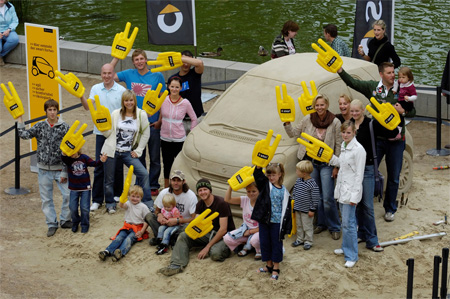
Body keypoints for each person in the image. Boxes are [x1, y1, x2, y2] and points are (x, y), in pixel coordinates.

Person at [337, 62, 415, 222]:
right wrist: (339, 69)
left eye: (393, 72)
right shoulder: (373, 87)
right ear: (381, 74)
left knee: (394, 176)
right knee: (368, 172)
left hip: (396, 141)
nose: (393, 75)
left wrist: (404, 110)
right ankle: (362, 205)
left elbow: (413, 110)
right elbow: (353, 82)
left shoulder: (402, 89)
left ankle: (390, 209)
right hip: (377, 140)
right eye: (389, 73)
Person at [284, 94, 342, 240]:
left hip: (327, 163)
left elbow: (339, 145)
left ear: (327, 105)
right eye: (317, 105)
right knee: (316, 196)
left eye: (322, 105)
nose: (319, 107)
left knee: (328, 197)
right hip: (311, 164)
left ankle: (334, 226)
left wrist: (337, 166)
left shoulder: (335, 122)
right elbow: (294, 133)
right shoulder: (308, 119)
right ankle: (321, 224)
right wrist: (286, 122)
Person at [111, 49, 167, 196]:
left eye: (142, 59)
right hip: (134, 125)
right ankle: (141, 182)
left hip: (152, 123)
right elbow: (110, 75)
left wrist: (160, 119)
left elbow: (163, 100)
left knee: (154, 157)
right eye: (136, 60)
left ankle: (153, 184)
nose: (140, 62)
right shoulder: (129, 74)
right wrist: (117, 57)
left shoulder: (157, 76)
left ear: (146, 60)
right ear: (133, 62)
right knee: (137, 155)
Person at [157, 178, 235, 276]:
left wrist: (207, 247)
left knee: (216, 254)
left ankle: (219, 247)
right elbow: (196, 225)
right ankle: (176, 265)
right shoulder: (200, 204)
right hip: (207, 233)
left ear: (210, 190)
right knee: (184, 235)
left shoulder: (221, 203)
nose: (202, 192)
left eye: (205, 189)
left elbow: (223, 230)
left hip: (224, 235)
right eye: (200, 190)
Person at [17, 99, 71, 237]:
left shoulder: (65, 127)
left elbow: (69, 151)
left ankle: (65, 219)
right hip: (43, 169)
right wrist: (20, 119)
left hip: (60, 169)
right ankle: (51, 223)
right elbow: (24, 135)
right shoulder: (40, 125)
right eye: (49, 110)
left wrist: (65, 170)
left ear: (57, 110)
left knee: (68, 195)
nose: (52, 113)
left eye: (54, 110)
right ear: (46, 111)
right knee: (46, 199)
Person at [78, 63, 126, 211]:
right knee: (99, 165)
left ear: (113, 74)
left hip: (116, 133)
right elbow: (87, 107)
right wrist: (80, 95)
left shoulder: (121, 90)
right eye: (104, 73)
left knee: (117, 164)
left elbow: (125, 111)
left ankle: (117, 193)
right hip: (100, 132)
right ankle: (97, 199)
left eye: (109, 73)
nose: (106, 76)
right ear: (101, 74)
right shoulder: (95, 88)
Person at [101, 89, 152, 213]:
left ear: (134, 101)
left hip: (128, 152)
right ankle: (110, 203)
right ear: (122, 102)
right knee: (109, 179)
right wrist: (102, 128)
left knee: (143, 173)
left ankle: (148, 202)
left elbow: (146, 133)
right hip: (112, 150)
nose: (129, 103)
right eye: (126, 100)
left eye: (131, 100)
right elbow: (108, 133)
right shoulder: (115, 113)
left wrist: (139, 150)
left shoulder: (141, 114)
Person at [329, 121, 366, 268]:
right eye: (343, 132)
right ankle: (345, 247)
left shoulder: (359, 150)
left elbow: (359, 174)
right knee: (344, 222)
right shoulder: (344, 146)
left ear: (354, 132)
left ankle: (352, 255)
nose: (345, 135)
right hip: (342, 188)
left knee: (349, 223)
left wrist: (355, 196)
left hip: (351, 191)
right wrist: (331, 159)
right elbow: (343, 164)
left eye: (348, 133)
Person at [349, 100, 383, 252]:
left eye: (357, 111)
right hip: (353, 170)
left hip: (368, 168)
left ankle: (372, 240)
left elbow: (388, 131)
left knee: (368, 205)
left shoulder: (370, 124)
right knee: (356, 204)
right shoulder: (348, 124)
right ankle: (361, 232)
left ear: (363, 110)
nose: (355, 114)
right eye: (352, 111)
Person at [252, 163, 291, 281]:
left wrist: (287, 227)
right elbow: (257, 175)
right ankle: (268, 265)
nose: (271, 177)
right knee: (264, 242)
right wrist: (259, 165)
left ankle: (276, 268)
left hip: (277, 223)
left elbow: (287, 211)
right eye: (269, 175)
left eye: (273, 175)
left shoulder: (285, 191)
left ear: (280, 175)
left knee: (276, 244)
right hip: (265, 221)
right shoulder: (265, 185)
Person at [160, 76, 198, 188]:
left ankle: (179, 187)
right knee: (166, 164)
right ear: (168, 87)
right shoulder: (163, 99)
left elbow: (194, 118)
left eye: (177, 87)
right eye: (172, 86)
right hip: (165, 137)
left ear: (181, 88)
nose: (174, 89)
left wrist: (191, 133)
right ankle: (167, 189)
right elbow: (156, 112)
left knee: (179, 165)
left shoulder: (185, 103)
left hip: (179, 139)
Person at [146, 170, 197, 246]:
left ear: (184, 181)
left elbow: (194, 219)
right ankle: (162, 238)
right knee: (149, 216)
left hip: (181, 225)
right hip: (165, 223)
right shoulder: (164, 192)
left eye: (178, 180)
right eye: (173, 180)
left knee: (187, 227)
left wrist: (178, 220)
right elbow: (157, 211)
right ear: (170, 181)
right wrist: (160, 216)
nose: (176, 183)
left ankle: (168, 239)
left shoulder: (191, 196)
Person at [98, 185, 150, 262]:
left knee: (128, 239)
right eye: (133, 196)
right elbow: (121, 205)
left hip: (137, 228)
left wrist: (142, 232)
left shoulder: (143, 207)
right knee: (119, 238)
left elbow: (147, 221)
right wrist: (123, 197)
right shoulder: (128, 203)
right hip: (127, 226)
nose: (135, 198)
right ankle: (107, 251)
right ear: (129, 196)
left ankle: (120, 252)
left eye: (137, 197)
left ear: (141, 197)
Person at [61, 150, 107, 233]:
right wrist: (64, 152)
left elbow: (94, 163)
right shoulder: (68, 159)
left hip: (85, 187)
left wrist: (101, 160)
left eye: (73, 152)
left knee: (85, 208)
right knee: (72, 207)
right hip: (73, 188)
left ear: (78, 150)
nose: (71, 154)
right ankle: (75, 221)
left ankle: (85, 224)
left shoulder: (84, 157)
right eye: (70, 153)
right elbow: (63, 157)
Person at [223, 183, 261, 259]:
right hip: (246, 229)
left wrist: (250, 232)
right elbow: (227, 199)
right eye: (248, 191)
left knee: (255, 240)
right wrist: (231, 185)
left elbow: (266, 225)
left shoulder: (263, 203)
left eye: (254, 191)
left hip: (259, 230)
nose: (251, 194)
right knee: (227, 238)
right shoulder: (245, 199)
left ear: (259, 191)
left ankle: (259, 249)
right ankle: (247, 245)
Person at [291, 160, 320, 251]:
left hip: (307, 210)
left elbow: (315, 198)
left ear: (304, 173)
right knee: (299, 225)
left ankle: (308, 241)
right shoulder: (298, 180)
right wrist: (293, 199)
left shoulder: (312, 184)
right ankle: (300, 239)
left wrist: (312, 209)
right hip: (298, 208)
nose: (296, 172)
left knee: (307, 226)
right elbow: (295, 190)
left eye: (297, 171)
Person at [168, 50, 205, 119]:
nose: (186, 64)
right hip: (180, 118)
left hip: (196, 116)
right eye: (183, 62)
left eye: (188, 62)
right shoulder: (173, 79)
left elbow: (200, 63)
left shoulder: (195, 74)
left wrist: (181, 58)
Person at [0, 0, 19, 66]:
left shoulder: (10, 6)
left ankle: (0, 56)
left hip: (7, 30)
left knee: (14, 39)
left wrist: (9, 30)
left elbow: (15, 21)